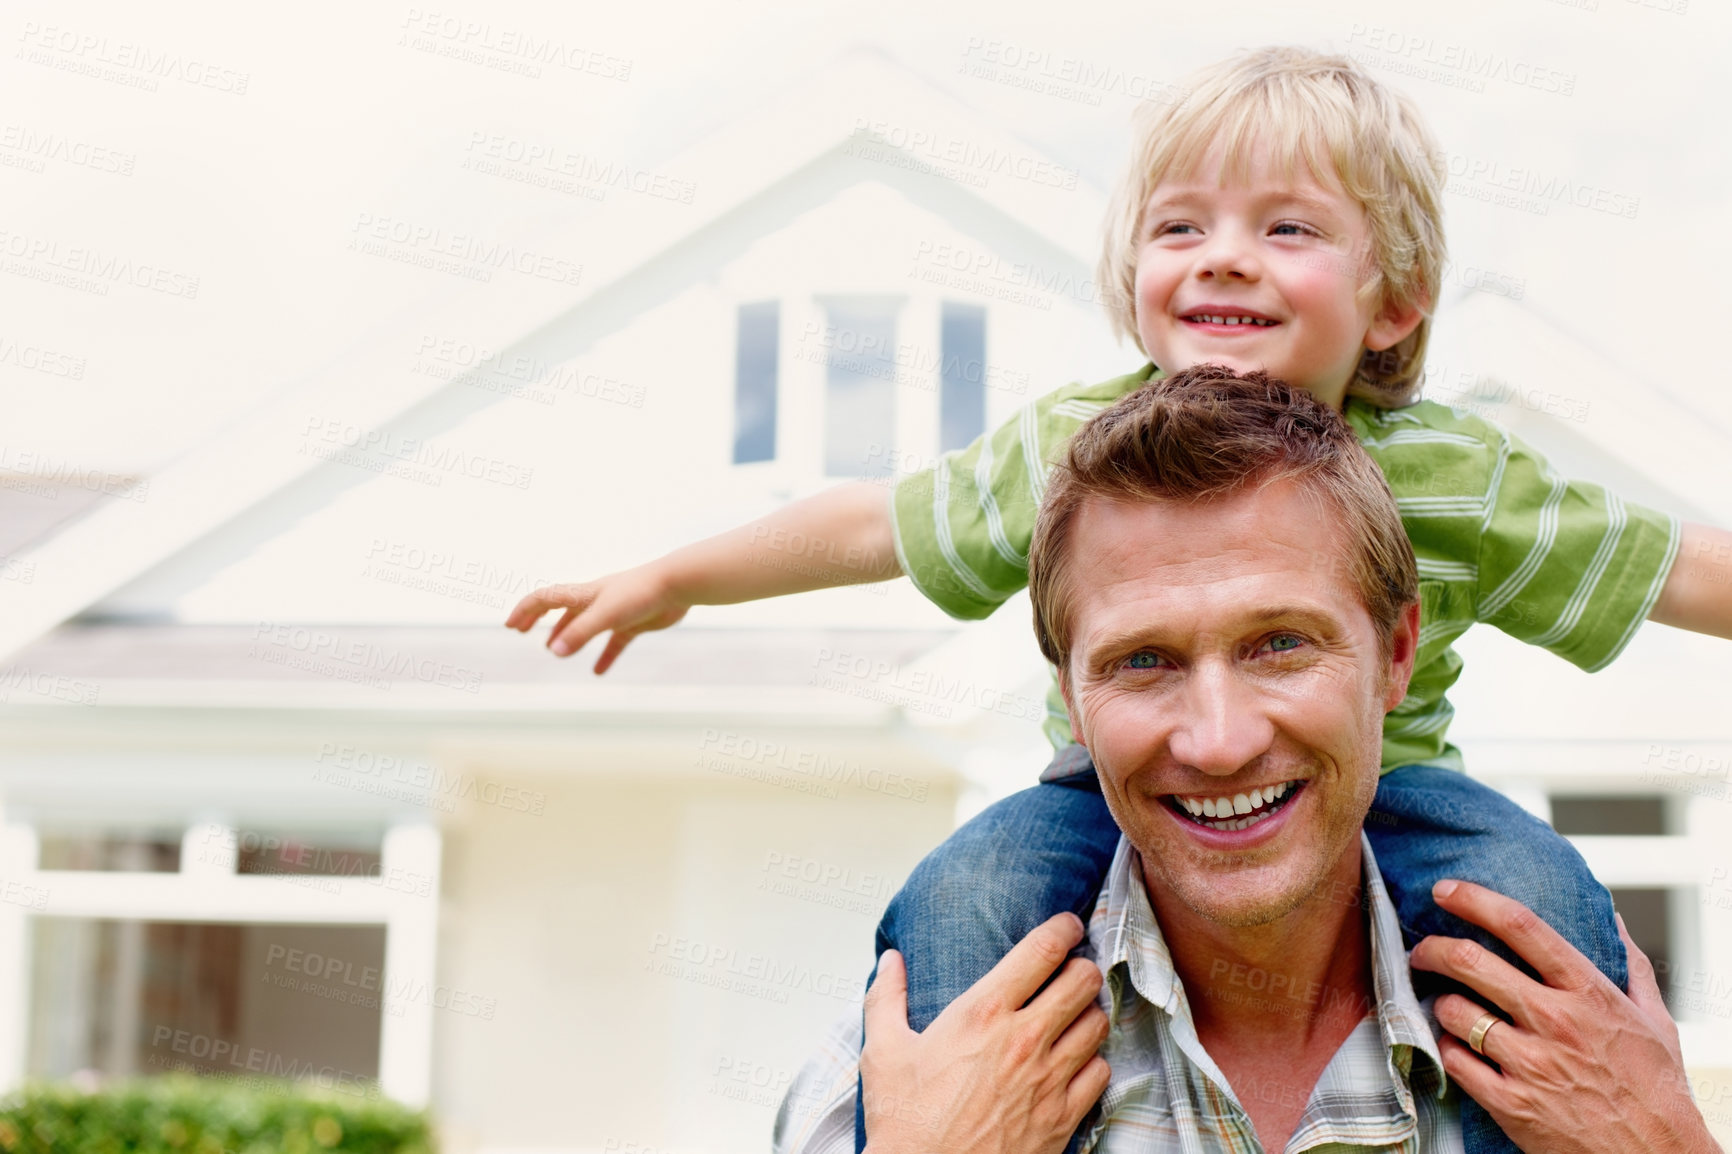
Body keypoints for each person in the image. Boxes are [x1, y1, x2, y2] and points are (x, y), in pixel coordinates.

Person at [504, 47, 1732, 1152]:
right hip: (1093, 800)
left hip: (1405, 801)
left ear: (1394, 300)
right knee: (963, 896)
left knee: (1550, 906)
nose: (1223, 253)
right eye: (1180, 226)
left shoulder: (1455, 480)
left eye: (1288, 228)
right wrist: (673, 579)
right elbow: (872, 520)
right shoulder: (1072, 450)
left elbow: (1678, 566)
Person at [772, 370, 1721, 1154]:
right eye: (1142, 661)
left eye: (1281, 645)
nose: (1219, 741)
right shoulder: (911, 1077)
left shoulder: (1594, 1064)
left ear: (1397, 657)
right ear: (1070, 690)